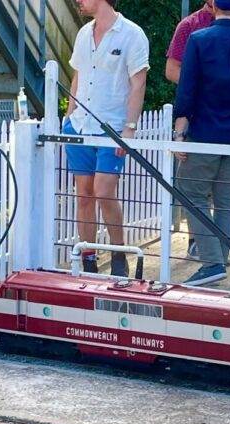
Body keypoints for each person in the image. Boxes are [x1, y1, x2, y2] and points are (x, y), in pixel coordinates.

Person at [174, 0, 230, 286]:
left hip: (204, 131)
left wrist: (180, 131)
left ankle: (212, 262)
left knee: (189, 191)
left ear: (213, 5)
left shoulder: (199, 40)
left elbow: (187, 90)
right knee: (225, 200)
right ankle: (219, 259)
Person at [63, 0, 149, 277]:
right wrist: (69, 116)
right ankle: (88, 257)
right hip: (79, 126)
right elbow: (78, 76)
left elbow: (139, 83)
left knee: (103, 191)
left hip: (111, 128)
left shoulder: (132, 34)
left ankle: (119, 252)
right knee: (84, 195)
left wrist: (130, 128)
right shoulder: (83, 33)